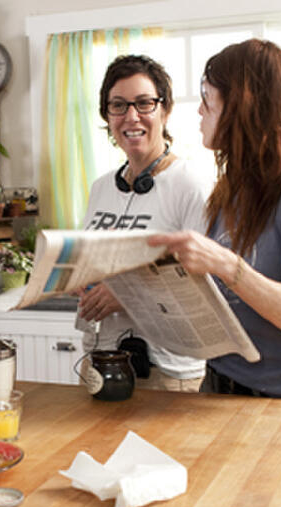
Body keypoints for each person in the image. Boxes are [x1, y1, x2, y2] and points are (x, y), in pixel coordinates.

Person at [148, 39, 281, 399]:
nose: (200, 112)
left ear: (244, 106)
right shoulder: (234, 185)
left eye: (208, 100)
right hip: (221, 382)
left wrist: (225, 263)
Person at [76, 55, 213, 392]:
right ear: (107, 116)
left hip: (167, 371)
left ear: (164, 111)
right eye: (118, 106)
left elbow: (205, 288)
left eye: (144, 104)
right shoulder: (101, 188)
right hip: (101, 359)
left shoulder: (192, 185)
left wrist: (127, 293)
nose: (131, 117)